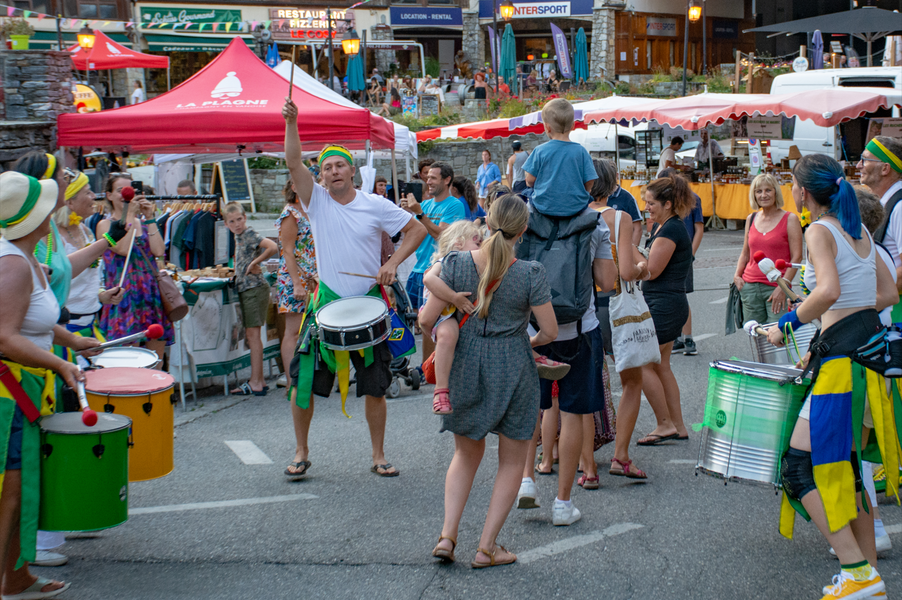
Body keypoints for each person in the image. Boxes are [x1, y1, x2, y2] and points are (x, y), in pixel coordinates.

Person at [767, 154, 898, 600]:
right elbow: (889, 292)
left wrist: (787, 323)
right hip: (864, 356)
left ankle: (857, 569)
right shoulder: (859, 231)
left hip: (840, 366)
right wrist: (843, 313)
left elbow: (828, 291)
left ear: (803, 193)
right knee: (849, 469)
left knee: (799, 468)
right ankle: (867, 576)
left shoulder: (819, 230)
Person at [282, 98, 427, 478]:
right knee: (302, 382)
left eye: (339, 165)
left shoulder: (374, 204)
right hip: (325, 305)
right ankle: (301, 450)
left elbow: (417, 229)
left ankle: (378, 455)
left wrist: (392, 263)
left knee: (376, 387)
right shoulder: (315, 202)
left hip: (369, 307)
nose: (332, 172)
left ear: (351, 171)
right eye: (327, 167)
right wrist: (292, 123)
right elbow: (294, 163)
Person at [428, 194, 557, 568]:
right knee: (513, 460)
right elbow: (548, 331)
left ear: (486, 220)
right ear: (524, 230)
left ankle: (447, 536)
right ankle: (486, 548)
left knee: (465, 454)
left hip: (466, 362)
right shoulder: (530, 272)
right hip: (513, 364)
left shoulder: (454, 264)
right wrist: (525, 342)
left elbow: (427, 319)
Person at [0, 171, 101, 600]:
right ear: (32, 218)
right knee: (10, 493)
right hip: (12, 391)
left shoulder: (26, 257)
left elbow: (34, 322)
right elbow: (5, 336)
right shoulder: (14, 265)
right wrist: (61, 367)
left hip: (25, 386)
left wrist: (72, 340)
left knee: (20, 489)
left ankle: (18, 575)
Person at [516, 158, 616, 525]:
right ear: (586, 182)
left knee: (532, 407)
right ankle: (562, 503)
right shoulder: (594, 223)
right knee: (574, 414)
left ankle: (526, 480)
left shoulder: (524, 216)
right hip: (578, 328)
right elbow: (607, 282)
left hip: (530, 331)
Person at [586, 159, 659, 479]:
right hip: (616, 305)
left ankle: (584, 461)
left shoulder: (576, 216)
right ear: (612, 185)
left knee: (586, 385)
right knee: (631, 382)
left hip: (585, 307)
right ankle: (621, 455)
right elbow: (628, 271)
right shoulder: (620, 218)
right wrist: (644, 268)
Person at [636, 173, 694, 445]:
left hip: (665, 305)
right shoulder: (664, 227)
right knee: (662, 366)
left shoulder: (670, 229)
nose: (647, 208)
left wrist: (626, 247)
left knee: (643, 362)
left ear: (668, 204)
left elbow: (652, 271)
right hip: (668, 304)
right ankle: (679, 425)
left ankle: (664, 423)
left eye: (651, 204)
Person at [97, 173, 173, 360]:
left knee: (156, 359)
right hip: (122, 297)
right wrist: (129, 214)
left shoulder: (142, 223)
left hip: (149, 294)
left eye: (130, 189)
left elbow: (158, 251)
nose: (127, 194)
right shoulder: (105, 225)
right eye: (120, 190)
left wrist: (149, 218)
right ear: (109, 195)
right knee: (128, 360)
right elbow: (123, 248)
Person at [418, 220, 483, 414]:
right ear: (458, 243)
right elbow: (428, 279)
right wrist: (453, 297)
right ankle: (441, 391)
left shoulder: (471, 265)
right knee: (448, 335)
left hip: (451, 313)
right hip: (441, 315)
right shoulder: (445, 261)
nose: (480, 247)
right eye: (477, 243)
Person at [732, 173, 804, 325]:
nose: (763, 195)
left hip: (776, 286)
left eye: (768, 190)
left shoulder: (790, 219)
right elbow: (745, 252)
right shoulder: (751, 219)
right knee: (756, 336)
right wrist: (737, 276)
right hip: (750, 286)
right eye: (759, 191)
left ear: (776, 192)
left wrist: (783, 287)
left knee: (777, 335)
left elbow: (796, 257)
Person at [223, 202, 277, 396]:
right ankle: (259, 380)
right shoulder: (239, 236)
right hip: (248, 288)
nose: (237, 224)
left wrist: (256, 262)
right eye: (232, 221)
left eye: (239, 219)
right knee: (253, 336)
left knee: (253, 337)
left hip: (254, 288)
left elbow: (272, 246)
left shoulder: (248, 234)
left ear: (245, 218)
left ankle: (255, 382)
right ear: (226, 223)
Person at [655, 168, 704, 355]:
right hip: (665, 251)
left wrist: (691, 253)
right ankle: (676, 337)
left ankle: (688, 337)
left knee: (681, 294)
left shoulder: (692, 198)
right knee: (670, 295)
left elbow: (699, 229)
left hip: (682, 253)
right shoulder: (662, 203)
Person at [523, 98, 597, 218]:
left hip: (544, 206)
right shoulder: (581, 151)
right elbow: (590, 181)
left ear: (547, 127)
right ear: (573, 125)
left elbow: (530, 180)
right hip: (576, 207)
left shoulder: (539, 151)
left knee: (527, 194)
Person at [865, 136, 902, 298]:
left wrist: (866, 298)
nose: (859, 165)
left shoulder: (900, 206)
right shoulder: (886, 202)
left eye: (865, 160)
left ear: (885, 168)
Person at [606, 175, 643, 246]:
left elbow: (637, 229)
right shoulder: (594, 196)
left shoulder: (627, 198)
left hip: (620, 248)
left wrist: (631, 252)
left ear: (616, 175)